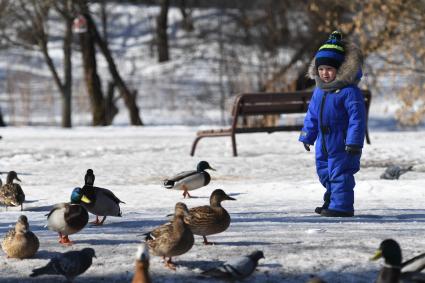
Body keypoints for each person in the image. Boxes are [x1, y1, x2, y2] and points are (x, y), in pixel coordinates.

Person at [299, 31, 366, 217]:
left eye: (329, 69)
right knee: (324, 172)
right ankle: (331, 200)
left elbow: (357, 119)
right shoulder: (319, 91)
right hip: (323, 140)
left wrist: (353, 142)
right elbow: (312, 115)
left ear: (340, 69)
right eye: (321, 69)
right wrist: (308, 135)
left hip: (342, 142)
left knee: (340, 173)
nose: (324, 73)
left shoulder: (349, 92)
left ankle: (342, 206)